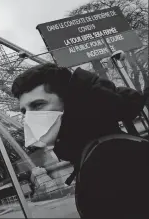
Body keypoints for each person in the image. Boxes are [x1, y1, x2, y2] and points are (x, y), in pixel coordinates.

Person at [11, 63, 149, 218]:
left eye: (37, 105)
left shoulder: (109, 160)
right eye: (24, 112)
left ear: (69, 102)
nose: (29, 119)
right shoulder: (102, 150)